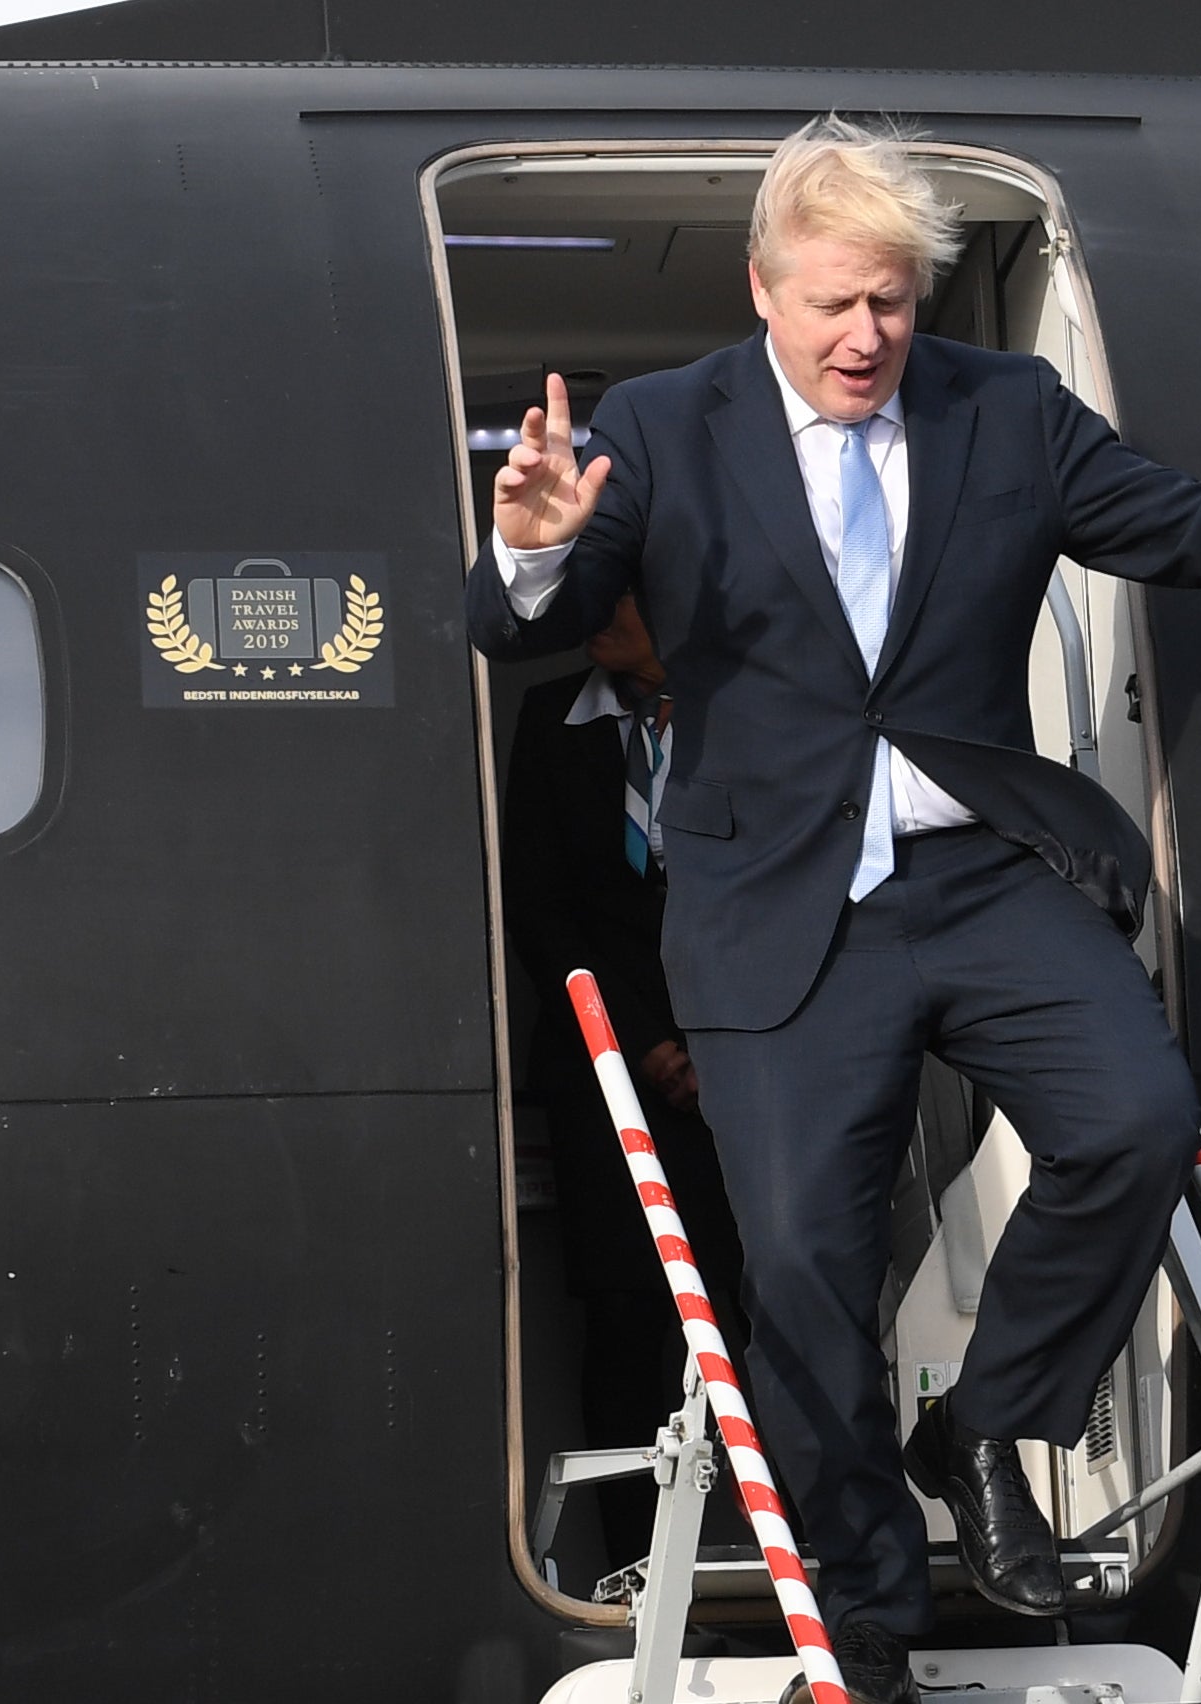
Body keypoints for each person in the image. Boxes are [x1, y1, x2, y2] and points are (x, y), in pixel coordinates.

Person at [468, 114, 1201, 1704]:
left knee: (1134, 1121)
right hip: (779, 906)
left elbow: (1198, 535)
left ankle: (986, 1425)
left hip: (977, 874)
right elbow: (539, 625)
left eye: (896, 304)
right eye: (837, 303)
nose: (869, 337)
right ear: (764, 289)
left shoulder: (1008, 410)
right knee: (805, 1279)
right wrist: (534, 555)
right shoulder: (664, 423)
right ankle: (865, 1617)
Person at [500, 591, 745, 1566]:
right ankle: (631, 1567)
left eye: (624, 593)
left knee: (764, 1306)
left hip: (744, 1064)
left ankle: (812, 1553)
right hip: (606, 1072)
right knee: (625, 1316)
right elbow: (541, 909)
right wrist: (646, 1045)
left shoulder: (750, 715)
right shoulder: (552, 721)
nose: (599, 613)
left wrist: (722, 1047)